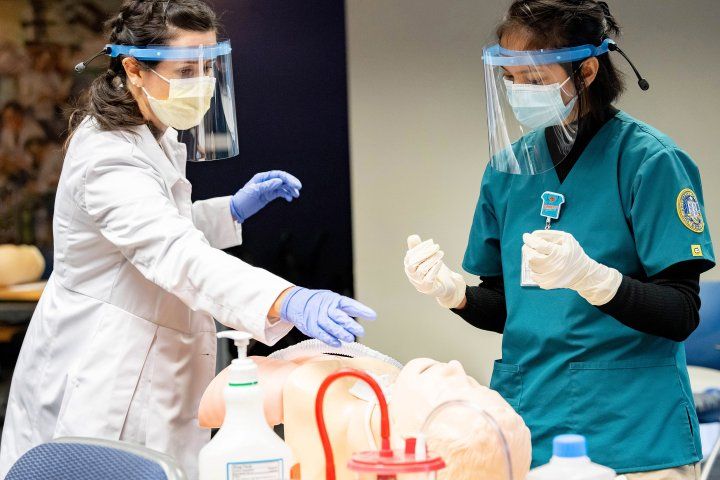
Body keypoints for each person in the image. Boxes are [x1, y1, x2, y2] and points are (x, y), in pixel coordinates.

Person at [0, 1, 375, 478]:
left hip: (154, 362)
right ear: (134, 68)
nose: (201, 82)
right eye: (185, 69)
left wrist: (229, 211)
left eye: (207, 67)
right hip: (105, 375)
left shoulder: (154, 134)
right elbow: (171, 252)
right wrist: (285, 298)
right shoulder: (106, 156)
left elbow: (160, 227)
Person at [404, 1, 714, 479]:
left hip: (632, 434)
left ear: (586, 71)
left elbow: (681, 312)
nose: (519, 92)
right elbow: (509, 308)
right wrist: (456, 295)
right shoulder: (508, 168)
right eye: (510, 79)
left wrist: (595, 280)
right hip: (529, 428)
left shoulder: (650, 162)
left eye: (535, 79)